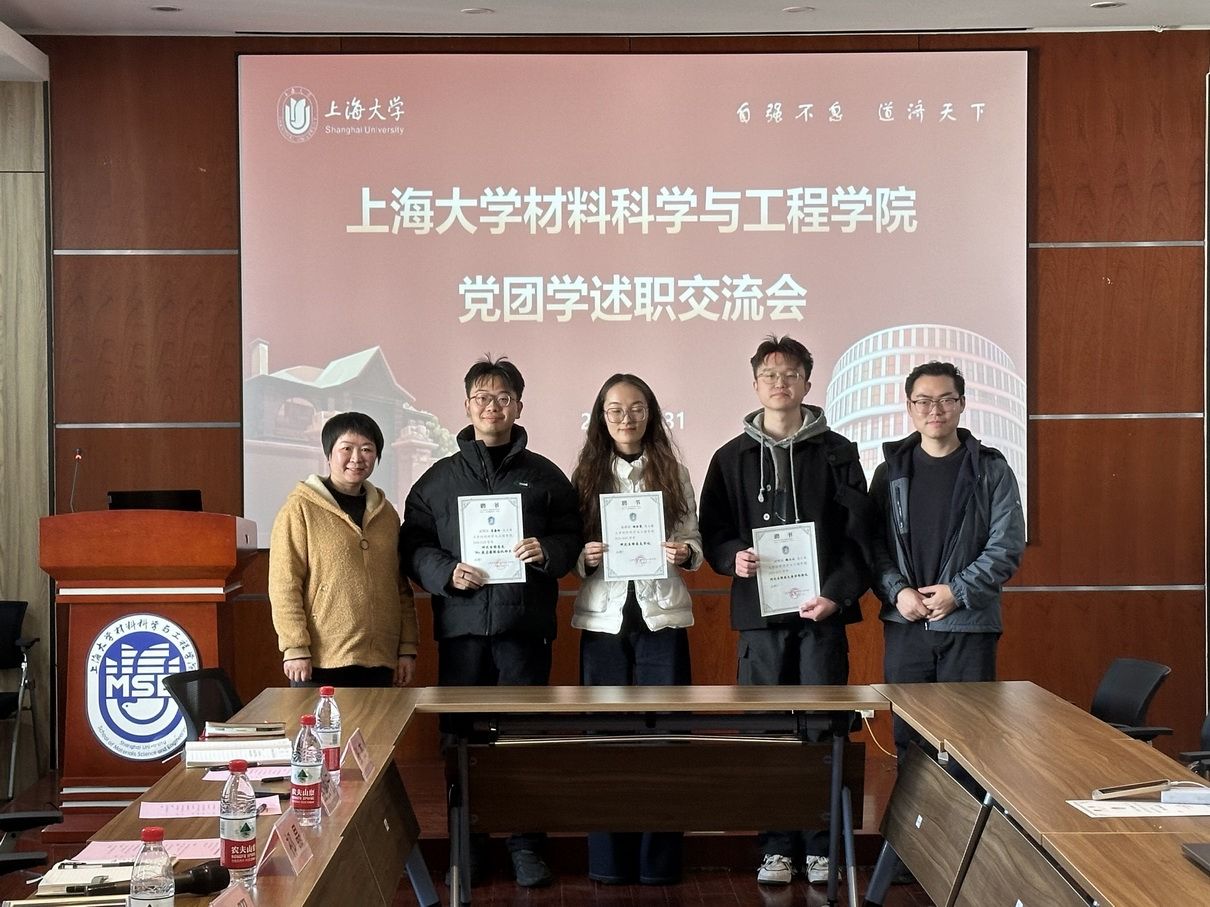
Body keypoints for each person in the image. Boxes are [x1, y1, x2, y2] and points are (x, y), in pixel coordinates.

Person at [399, 355, 581, 889]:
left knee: (523, 740)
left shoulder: (545, 476)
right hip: (462, 634)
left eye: (503, 398)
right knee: (461, 742)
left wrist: (547, 550)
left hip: (524, 632)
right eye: (482, 398)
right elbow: (413, 546)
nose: (492, 407)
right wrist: (446, 573)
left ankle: (526, 846)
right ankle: (468, 845)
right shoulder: (437, 480)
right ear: (467, 406)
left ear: (519, 406)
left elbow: (572, 537)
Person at [698, 335, 869, 888]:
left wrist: (837, 595)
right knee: (768, 733)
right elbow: (714, 530)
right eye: (770, 375)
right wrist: (732, 556)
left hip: (822, 618)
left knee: (823, 732)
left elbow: (858, 537)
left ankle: (821, 847)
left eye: (791, 374)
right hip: (760, 621)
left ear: (807, 383)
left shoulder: (839, 452)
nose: (780, 383)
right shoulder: (729, 458)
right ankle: (775, 847)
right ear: (755, 385)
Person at [570, 373, 702, 886]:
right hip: (603, 618)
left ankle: (658, 864)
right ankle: (608, 862)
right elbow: (569, 544)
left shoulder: (673, 471)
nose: (626, 418)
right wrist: (583, 555)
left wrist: (685, 552)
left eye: (637, 408)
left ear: (651, 414)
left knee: (666, 739)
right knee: (604, 741)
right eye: (615, 409)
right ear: (601, 417)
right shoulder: (584, 474)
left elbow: (692, 535)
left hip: (660, 616)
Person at [870, 361, 1025, 760]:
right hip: (906, 623)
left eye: (945, 400)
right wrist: (898, 592)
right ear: (910, 407)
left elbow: (1005, 546)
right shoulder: (889, 473)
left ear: (962, 404)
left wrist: (958, 591)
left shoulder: (991, 470)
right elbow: (872, 545)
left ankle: (965, 807)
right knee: (909, 740)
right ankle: (914, 807)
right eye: (923, 401)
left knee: (969, 742)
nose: (934, 410)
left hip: (969, 626)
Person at [269, 411, 418, 688]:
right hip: (320, 660)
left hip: (380, 659)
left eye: (367, 449)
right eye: (346, 448)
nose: (357, 458)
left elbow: (399, 585)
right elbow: (284, 584)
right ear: (329, 454)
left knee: (380, 720)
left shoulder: (386, 514)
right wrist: (294, 646)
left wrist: (406, 648)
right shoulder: (299, 509)